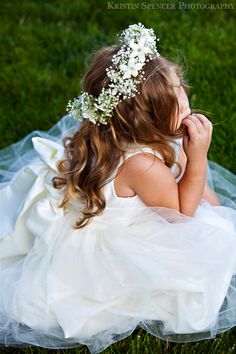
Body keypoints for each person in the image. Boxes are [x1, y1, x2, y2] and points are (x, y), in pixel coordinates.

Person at [0, 23, 236, 354]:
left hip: (105, 208)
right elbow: (182, 216)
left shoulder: (116, 134)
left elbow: (202, 200)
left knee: (220, 224)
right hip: (110, 249)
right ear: (146, 119)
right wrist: (197, 158)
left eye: (180, 87)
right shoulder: (143, 165)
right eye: (175, 96)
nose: (185, 97)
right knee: (215, 246)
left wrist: (216, 206)